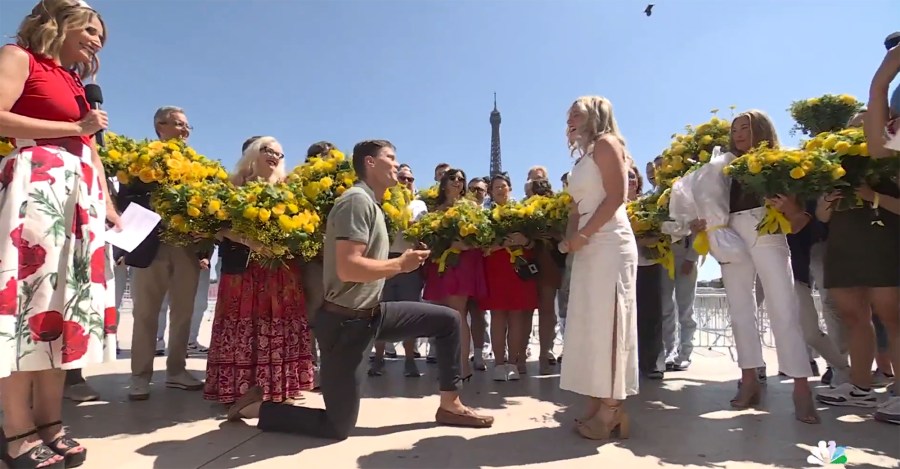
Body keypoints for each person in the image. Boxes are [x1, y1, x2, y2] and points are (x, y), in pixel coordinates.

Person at [227, 140, 493, 439]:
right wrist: (400, 266)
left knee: (448, 320)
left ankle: (451, 404)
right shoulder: (356, 202)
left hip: (372, 314)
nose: (396, 164)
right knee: (337, 426)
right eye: (390, 158)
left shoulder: (374, 205)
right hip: (345, 324)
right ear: (369, 162)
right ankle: (259, 408)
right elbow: (348, 267)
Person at [0, 1, 117, 466]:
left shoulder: (75, 83)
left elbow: (88, 143)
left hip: (78, 198)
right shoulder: (17, 57)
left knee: (64, 308)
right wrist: (73, 126)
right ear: (58, 24)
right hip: (36, 184)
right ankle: (15, 428)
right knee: (30, 303)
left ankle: (49, 420)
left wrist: (107, 203)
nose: (96, 40)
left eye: (100, 36)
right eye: (89, 29)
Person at [560, 96, 638, 440]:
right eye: (569, 113)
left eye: (577, 111)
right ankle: (596, 400)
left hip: (608, 241)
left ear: (596, 115)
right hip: (589, 244)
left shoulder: (608, 144)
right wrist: (570, 239)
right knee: (591, 324)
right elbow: (577, 207)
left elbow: (617, 195)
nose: (570, 117)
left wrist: (585, 235)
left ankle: (611, 410)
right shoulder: (583, 157)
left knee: (610, 321)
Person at [118, 105, 205, 400]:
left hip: (185, 247)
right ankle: (140, 376)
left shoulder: (199, 167)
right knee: (145, 313)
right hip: (149, 245)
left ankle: (176, 371)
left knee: (183, 313)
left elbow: (211, 207)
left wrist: (204, 248)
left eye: (187, 126)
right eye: (179, 124)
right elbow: (123, 202)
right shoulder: (140, 162)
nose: (185, 130)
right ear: (160, 126)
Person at [368, 164, 428, 378]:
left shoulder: (419, 204)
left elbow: (424, 233)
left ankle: (410, 360)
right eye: (402, 178)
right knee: (381, 310)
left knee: (410, 310)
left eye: (410, 179)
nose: (406, 182)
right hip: (385, 259)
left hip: (409, 262)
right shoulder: (384, 200)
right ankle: (379, 358)